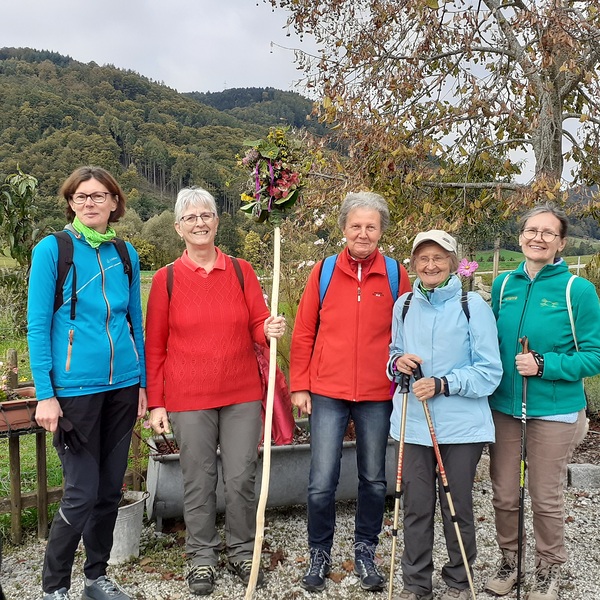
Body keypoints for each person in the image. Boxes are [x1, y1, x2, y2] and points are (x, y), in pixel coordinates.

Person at [145, 187, 285, 596]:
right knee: (198, 479)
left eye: (206, 215)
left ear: (217, 221)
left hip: (241, 393)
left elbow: (258, 322)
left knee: (241, 476)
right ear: (178, 228)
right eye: (190, 218)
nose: (199, 223)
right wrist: (157, 403)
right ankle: (201, 557)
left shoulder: (241, 271)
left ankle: (243, 550)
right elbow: (155, 346)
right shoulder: (167, 280)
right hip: (189, 398)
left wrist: (268, 328)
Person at [28, 166, 147, 600]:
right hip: (74, 393)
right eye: (81, 197)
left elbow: (136, 322)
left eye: (99, 196)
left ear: (114, 203)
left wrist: (142, 385)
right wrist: (46, 394)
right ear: (70, 203)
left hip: (121, 387)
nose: (90, 203)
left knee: (109, 492)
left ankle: (95, 577)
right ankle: (53, 588)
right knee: (81, 493)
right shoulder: (52, 250)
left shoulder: (125, 253)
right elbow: (38, 326)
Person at [290, 191, 411, 593]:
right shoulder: (323, 272)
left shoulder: (395, 274)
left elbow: (408, 331)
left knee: (374, 479)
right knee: (322, 479)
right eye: (356, 226)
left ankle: (366, 550)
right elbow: (305, 329)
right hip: (328, 391)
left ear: (381, 232)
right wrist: (300, 385)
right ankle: (319, 552)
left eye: (371, 227)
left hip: (379, 392)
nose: (363, 233)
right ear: (343, 228)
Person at [485, 204, 600, 600]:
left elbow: (595, 355)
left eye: (548, 233)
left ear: (561, 243)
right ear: (520, 237)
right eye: (531, 230)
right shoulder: (503, 285)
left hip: (554, 410)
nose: (538, 238)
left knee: (545, 495)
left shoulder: (577, 291)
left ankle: (548, 569)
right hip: (504, 407)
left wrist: (544, 364)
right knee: (504, 491)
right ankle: (510, 561)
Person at [387, 230, 502, 600]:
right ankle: (416, 584)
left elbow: (490, 371)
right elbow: (394, 354)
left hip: (462, 427)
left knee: (458, 505)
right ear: (414, 264)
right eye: (423, 258)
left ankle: (459, 580)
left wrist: (443, 384)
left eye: (439, 257)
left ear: (453, 262)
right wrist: (397, 363)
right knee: (415, 508)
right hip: (415, 424)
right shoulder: (403, 305)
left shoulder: (473, 306)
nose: (431, 265)